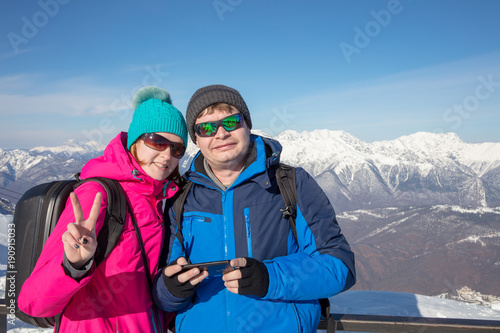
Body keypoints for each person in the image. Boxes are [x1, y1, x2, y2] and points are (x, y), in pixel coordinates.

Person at [153, 84, 356, 332]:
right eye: (206, 128)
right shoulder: (180, 197)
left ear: (247, 125)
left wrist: (271, 278)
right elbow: (159, 289)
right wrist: (171, 289)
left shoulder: (292, 184)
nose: (220, 134)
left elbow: (340, 266)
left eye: (231, 122)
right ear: (196, 140)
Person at [18, 86, 188, 332]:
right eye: (158, 142)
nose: (167, 156)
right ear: (135, 140)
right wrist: (73, 266)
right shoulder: (97, 195)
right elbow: (32, 303)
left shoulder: (162, 199)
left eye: (177, 148)